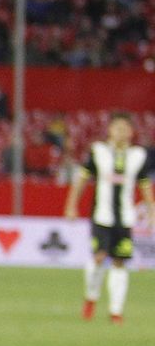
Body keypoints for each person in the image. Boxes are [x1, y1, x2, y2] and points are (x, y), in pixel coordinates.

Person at [63, 112, 154, 324]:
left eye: (125, 128)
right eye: (117, 128)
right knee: (99, 257)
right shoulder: (98, 151)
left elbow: (144, 185)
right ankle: (91, 297)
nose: (121, 132)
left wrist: (151, 210)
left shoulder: (138, 156)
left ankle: (116, 311)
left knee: (120, 262)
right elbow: (81, 180)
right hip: (101, 217)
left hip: (125, 219)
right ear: (110, 130)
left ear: (131, 132)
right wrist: (71, 205)